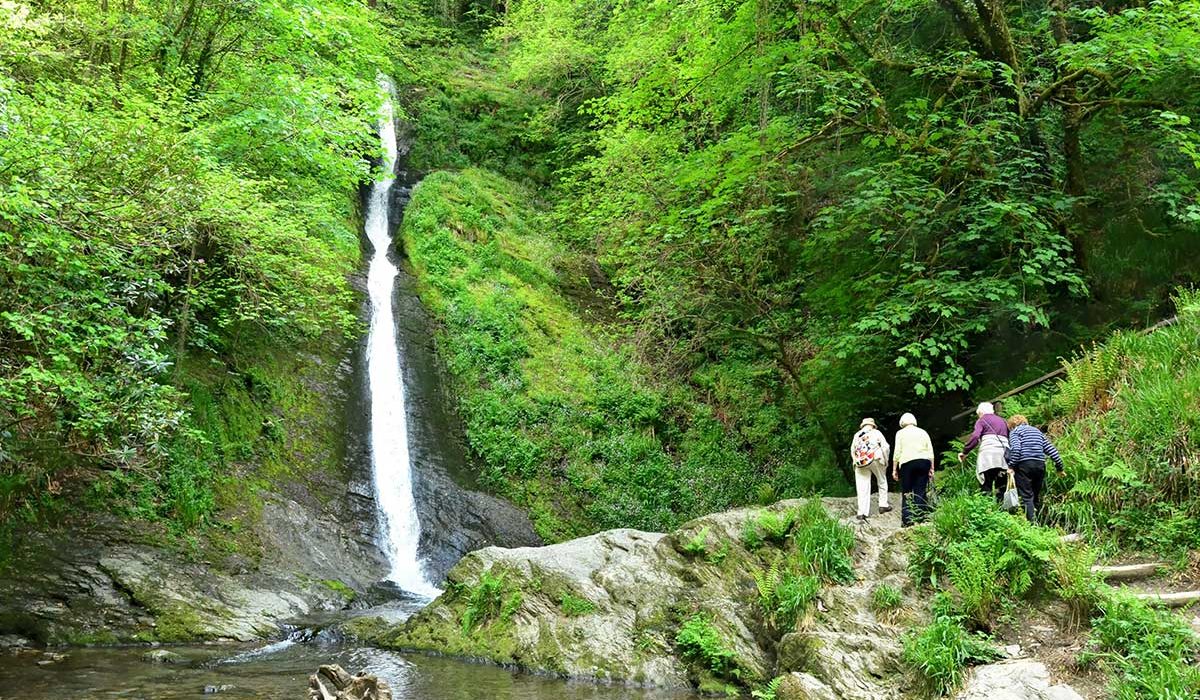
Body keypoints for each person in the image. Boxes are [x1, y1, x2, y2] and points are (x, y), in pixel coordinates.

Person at [1005, 415, 1065, 524]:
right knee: (1035, 496)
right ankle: (1040, 522)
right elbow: (1052, 450)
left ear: (1011, 426)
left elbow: (1016, 450)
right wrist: (1059, 468)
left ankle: (1032, 526)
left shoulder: (1015, 432)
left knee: (1027, 496)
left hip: (1024, 465)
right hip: (1040, 465)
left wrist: (1011, 466)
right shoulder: (1037, 432)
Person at [957, 402, 1009, 502]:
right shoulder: (1003, 421)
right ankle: (1003, 509)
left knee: (986, 484)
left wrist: (965, 451)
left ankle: (987, 509)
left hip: (988, 457)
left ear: (981, 412)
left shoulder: (982, 420)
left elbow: (975, 437)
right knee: (1002, 485)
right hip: (1003, 456)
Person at [892, 412, 935, 527]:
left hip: (907, 463)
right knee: (920, 490)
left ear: (902, 423)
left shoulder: (900, 433)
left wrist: (894, 469)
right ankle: (921, 517)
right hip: (923, 461)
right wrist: (932, 467)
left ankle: (907, 520)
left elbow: (897, 452)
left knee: (907, 491)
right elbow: (930, 451)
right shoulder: (923, 432)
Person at [850, 418, 892, 522]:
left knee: (862, 486)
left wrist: (855, 462)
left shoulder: (857, 435)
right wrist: (885, 460)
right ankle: (883, 505)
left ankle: (862, 512)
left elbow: (853, 450)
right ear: (872, 425)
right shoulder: (876, 433)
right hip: (875, 458)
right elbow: (885, 447)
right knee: (881, 481)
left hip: (861, 462)